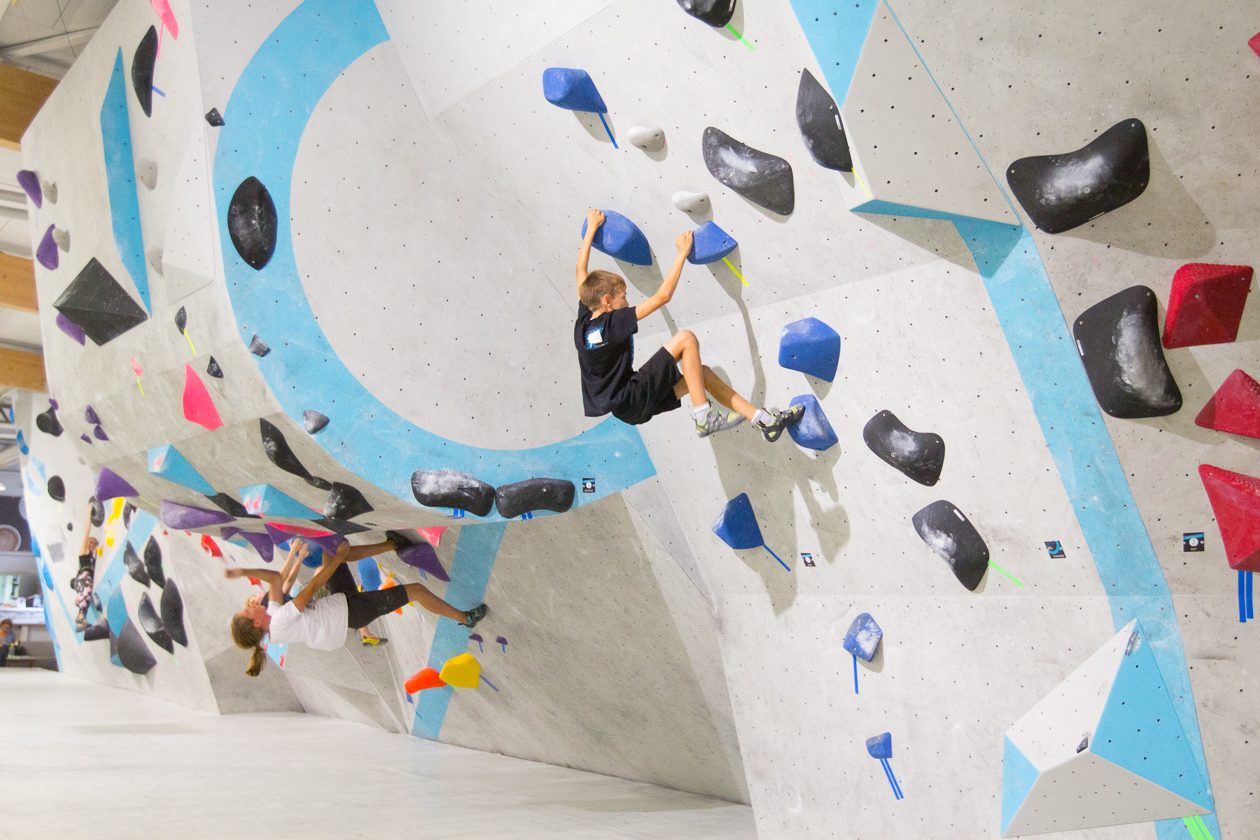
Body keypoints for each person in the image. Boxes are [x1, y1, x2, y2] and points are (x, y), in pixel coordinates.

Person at [575, 208, 804, 439]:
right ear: (606, 301)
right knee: (685, 339)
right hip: (631, 396)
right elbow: (662, 296)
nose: (626, 302)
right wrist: (681, 254)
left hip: (628, 410)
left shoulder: (584, 324)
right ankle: (703, 416)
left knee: (699, 376)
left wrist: (591, 229)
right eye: (622, 297)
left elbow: (581, 276)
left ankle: (765, 421)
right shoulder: (612, 323)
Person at [228, 537, 487, 676]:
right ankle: (465, 618)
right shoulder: (280, 622)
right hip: (349, 613)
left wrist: (242, 571)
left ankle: (391, 544)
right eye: (247, 610)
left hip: (337, 606)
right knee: (415, 592)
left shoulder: (272, 616)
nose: (250, 604)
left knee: (331, 552)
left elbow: (275, 579)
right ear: (256, 623)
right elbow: (312, 587)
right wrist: (339, 557)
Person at [69, 505, 99, 632]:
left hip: (84, 578)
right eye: (90, 542)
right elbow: (87, 530)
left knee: (86, 595)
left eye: (95, 543)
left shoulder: (92, 555)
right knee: (86, 593)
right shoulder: (84, 551)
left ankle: (81, 620)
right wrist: (88, 512)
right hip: (82, 577)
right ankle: (80, 619)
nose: (92, 544)